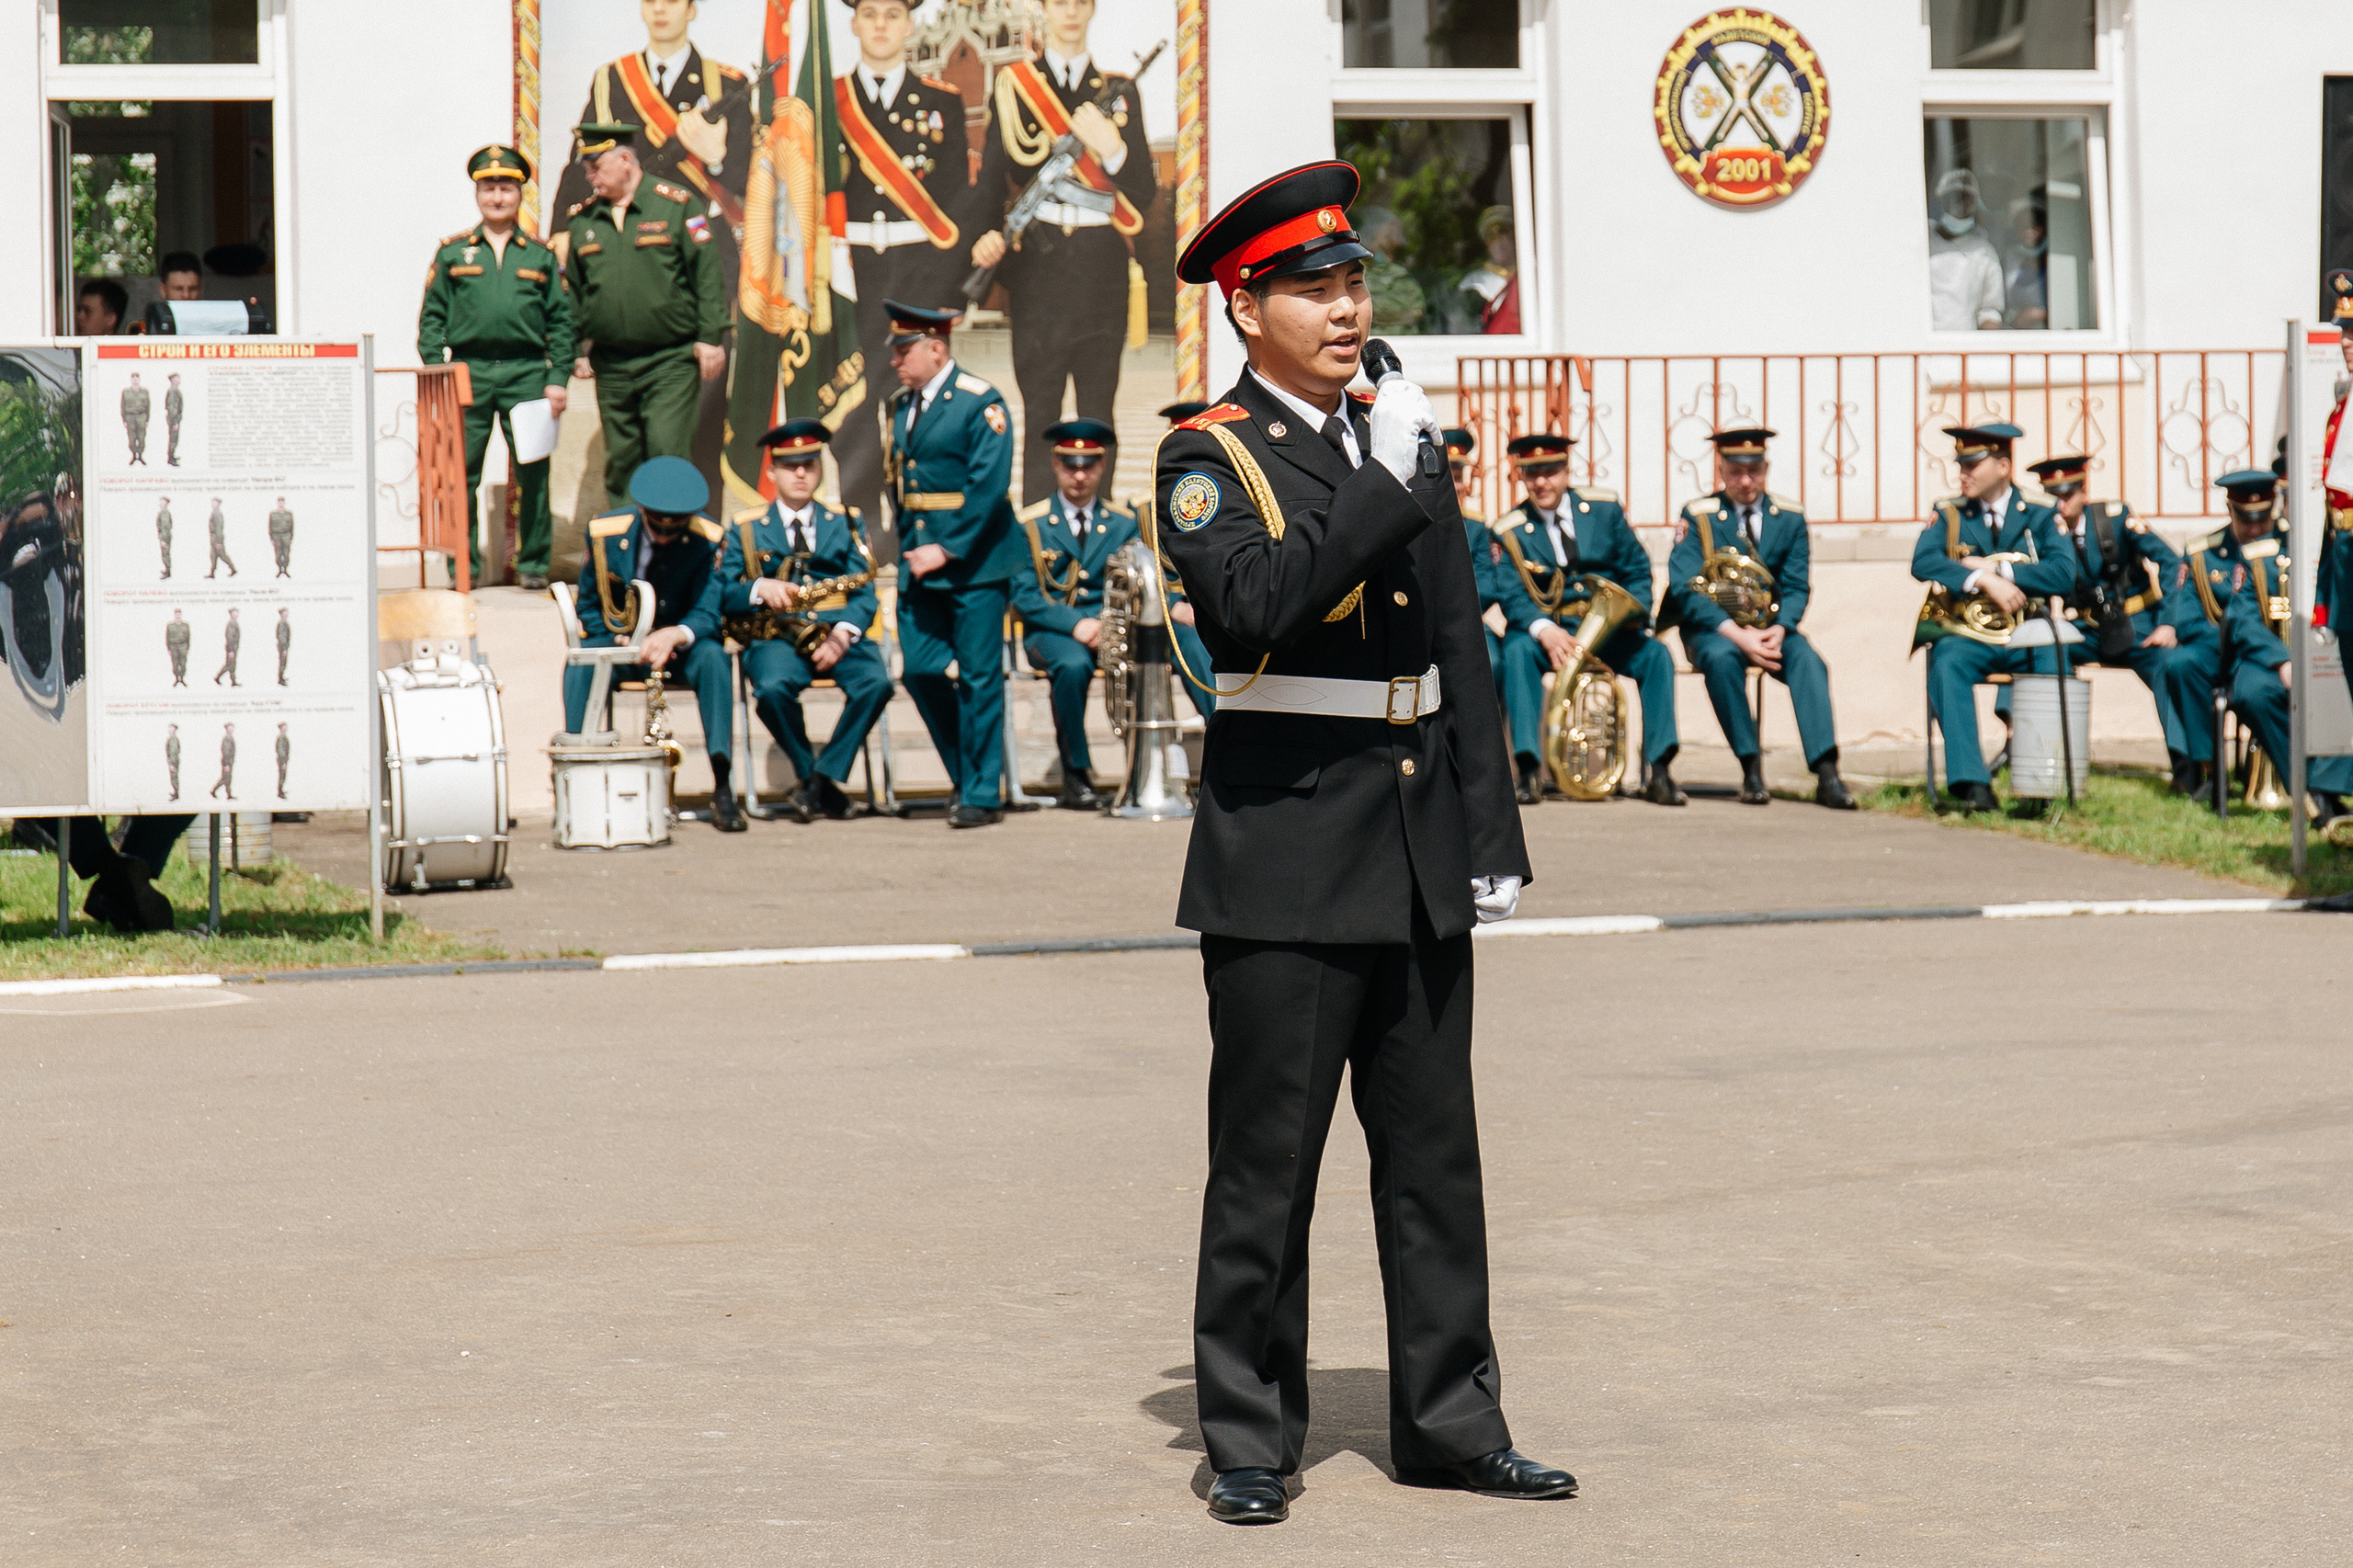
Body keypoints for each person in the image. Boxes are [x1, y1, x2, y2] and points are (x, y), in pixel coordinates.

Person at [1158, 160, 1571, 1526]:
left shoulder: (1392, 439)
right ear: (1246, 303)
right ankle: (1250, 1435)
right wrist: (1388, 479)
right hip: (1284, 854)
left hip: (1410, 845)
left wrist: (1487, 831)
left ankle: (1454, 1419)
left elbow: (1454, 646)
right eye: (1314, 287)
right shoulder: (1206, 457)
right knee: (1268, 1168)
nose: (1348, 309)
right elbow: (1257, 610)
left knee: (1436, 1160)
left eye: (1356, 284)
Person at [970, 0, 1158, 505]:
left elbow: (1142, 192)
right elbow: (991, 178)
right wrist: (986, 234)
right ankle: (1038, 534)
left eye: (1080, 2)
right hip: (1039, 268)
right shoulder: (1014, 86)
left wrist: (1113, 147)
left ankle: (1100, 530)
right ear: (1044, 10)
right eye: (1059, 2)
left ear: (1092, 9)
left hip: (1102, 266)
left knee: (1099, 407)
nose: (1070, 12)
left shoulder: (1119, 90)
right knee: (1041, 411)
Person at [830, 0, 977, 529]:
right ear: (853, 24)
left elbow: (959, 203)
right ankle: (864, 526)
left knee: (924, 398)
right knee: (853, 402)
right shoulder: (827, 100)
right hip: (848, 273)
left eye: (892, 14)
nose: (881, 25)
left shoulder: (943, 101)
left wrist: (951, 291)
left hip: (919, 269)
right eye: (870, 14)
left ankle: (923, 522)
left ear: (909, 24)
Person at [881, 301, 1025, 828]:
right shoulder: (899, 405)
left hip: (975, 563)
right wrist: (911, 545)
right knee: (919, 670)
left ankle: (982, 794)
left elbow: (988, 486)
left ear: (936, 348)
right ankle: (968, 773)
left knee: (981, 676)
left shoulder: (979, 401)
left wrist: (947, 547)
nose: (896, 360)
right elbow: (900, 481)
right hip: (919, 561)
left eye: (905, 350)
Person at [1664, 429, 1855, 809]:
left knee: (1809, 661)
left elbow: (1798, 585)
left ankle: (1827, 771)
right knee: (1721, 660)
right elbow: (1684, 587)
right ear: (1721, 471)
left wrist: (1782, 628)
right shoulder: (1698, 516)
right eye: (1735, 472)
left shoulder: (1789, 517)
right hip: (1715, 630)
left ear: (1765, 468)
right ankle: (1751, 768)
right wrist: (1737, 634)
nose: (1746, 481)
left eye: (1754, 471)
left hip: (1772, 630)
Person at [1492, 432, 1682, 805]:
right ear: (1521, 477)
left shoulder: (1605, 509)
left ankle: (1660, 771)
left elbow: (1638, 571)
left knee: (1657, 656)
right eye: (1531, 474)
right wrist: (1544, 630)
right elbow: (1510, 592)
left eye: (1550, 471)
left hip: (1608, 631)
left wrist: (1632, 615)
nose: (1541, 482)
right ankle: (1528, 770)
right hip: (1549, 634)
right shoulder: (1508, 529)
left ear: (1567, 471)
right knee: (1516, 652)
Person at [418, 144, 576, 589]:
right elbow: (431, 319)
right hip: (467, 372)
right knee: (459, 473)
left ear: (520, 194)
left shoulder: (541, 256)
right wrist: (438, 370)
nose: (497, 197)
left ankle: (532, 565)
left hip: (527, 374)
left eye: (506, 188)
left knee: (533, 472)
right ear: (477, 194)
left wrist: (558, 377)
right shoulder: (452, 254)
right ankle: (462, 566)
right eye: (489, 188)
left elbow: (562, 322)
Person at [720, 418, 892, 824]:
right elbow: (721, 592)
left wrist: (843, 635)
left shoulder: (846, 521)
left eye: (809, 465)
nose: (801, 474)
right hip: (777, 636)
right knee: (772, 688)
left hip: (837, 633)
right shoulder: (745, 530)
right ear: (771, 471)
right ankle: (816, 779)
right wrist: (758, 587)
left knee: (877, 684)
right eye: (790, 466)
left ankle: (820, 780)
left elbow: (864, 592)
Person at [2158, 470, 2353, 824]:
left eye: (2262, 515)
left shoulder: (2300, 544)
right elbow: (2231, 618)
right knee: (2232, 684)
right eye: (2245, 517)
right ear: (2230, 509)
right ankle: (2216, 770)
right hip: (2253, 653)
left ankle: (2324, 786)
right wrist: (2279, 660)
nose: (2254, 526)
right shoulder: (2211, 553)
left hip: (2306, 649)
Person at [566, 455, 745, 830]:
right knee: (581, 659)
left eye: (673, 529)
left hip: (680, 646)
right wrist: (619, 635)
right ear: (642, 511)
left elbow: (709, 612)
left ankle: (723, 784)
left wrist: (675, 634)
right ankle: (574, 772)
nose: (664, 536)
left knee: (714, 657)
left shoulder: (709, 539)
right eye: (656, 527)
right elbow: (587, 603)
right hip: (622, 644)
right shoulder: (605, 532)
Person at [563, 122, 729, 509]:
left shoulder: (676, 204)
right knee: (622, 462)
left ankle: (671, 560)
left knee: (667, 455)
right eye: (586, 168)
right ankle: (626, 557)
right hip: (613, 364)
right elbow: (574, 290)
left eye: (596, 166)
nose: (590, 177)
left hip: (668, 361)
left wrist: (710, 337)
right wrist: (575, 347)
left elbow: (706, 275)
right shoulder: (584, 220)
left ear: (625, 160)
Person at [1911, 423, 2075, 812]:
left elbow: (2065, 574)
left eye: (1972, 465)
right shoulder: (1948, 513)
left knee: (2056, 657)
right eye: (1961, 465)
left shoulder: (2040, 512)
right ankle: (1972, 784)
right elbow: (1922, 562)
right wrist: (1979, 577)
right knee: (1946, 663)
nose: (1962, 474)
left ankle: (2041, 780)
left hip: (2027, 632)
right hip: (1971, 636)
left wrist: (2004, 574)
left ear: (2003, 468)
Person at [550, 0, 752, 299]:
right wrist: (562, 228)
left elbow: (749, 180)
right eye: (650, 1)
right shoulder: (612, 80)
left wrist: (715, 160)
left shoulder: (726, 85)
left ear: (691, 9)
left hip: (699, 248)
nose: (660, 10)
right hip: (624, 244)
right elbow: (582, 164)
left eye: (671, 1)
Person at [2024, 454, 2189, 779]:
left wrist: (2169, 623)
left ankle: (2188, 767)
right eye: (2051, 498)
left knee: (2168, 668)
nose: (2059, 505)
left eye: (2066, 496)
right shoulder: (2042, 534)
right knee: (2039, 652)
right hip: (2086, 628)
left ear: (2083, 494)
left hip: (2139, 623)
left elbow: (2172, 563)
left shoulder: (2115, 518)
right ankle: (2047, 757)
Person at [1012, 417, 1131, 810]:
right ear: (1055, 464)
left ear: (1101, 466)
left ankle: (1144, 769)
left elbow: (1131, 585)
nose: (1079, 475)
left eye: (1089, 465)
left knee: (1145, 662)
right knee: (1074, 665)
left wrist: (1104, 623)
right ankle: (1076, 774)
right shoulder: (1029, 524)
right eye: (1069, 464)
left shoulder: (1124, 524)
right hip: (1050, 631)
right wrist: (1076, 623)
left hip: (1111, 629)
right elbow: (1025, 595)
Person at [1444, 426, 1509, 682]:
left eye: (1458, 476)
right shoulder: (1412, 525)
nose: (1454, 485)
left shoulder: (1476, 527)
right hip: (1421, 624)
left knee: (1493, 663)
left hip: (1467, 621)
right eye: (1445, 476)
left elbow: (1488, 584)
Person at [1928, 168, 2005, 331]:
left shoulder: (1983, 252)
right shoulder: (1923, 243)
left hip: (1963, 349)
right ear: (1941, 201)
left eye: (1968, 199)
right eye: (1955, 198)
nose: (1962, 205)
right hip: (1923, 349)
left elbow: (1990, 311)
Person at [121, 372, 150, 465]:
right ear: (131, 379)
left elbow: (148, 407)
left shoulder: (144, 392)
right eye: (133, 378)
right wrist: (124, 420)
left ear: (139, 379)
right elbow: (122, 406)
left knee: (141, 438)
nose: (135, 380)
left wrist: (147, 420)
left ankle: (140, 455)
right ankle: (134, 455)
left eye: (136, 378)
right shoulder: (126, 392)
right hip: (130, 417)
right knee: (132, 438)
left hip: (141, 416)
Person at [207, 497, 236, 577]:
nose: (212, 504)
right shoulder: (214, 512)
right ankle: (212, 573)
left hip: (217, 538)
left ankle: (233, 569)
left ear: (218, 504)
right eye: (212, 502)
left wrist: (219, 542)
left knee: (222, 555)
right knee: (213, 555)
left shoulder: (217, 513)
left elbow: (218, 528)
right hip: (214, 538)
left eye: (215, 502)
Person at [267, 496, 295, 578]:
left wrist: (291, 538)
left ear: (284, 503)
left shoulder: (289, 514)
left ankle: (285, 569)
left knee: (286, 554)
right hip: (276, 536)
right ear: (277, 503)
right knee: (278, 554)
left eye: (282, 502)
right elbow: (270, 526)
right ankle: (280, 569)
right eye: (279, 502)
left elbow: (292, 526)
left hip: (286, 535)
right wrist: (271, 538)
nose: (281, 504)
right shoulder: (273, 514)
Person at [215, 607, 242, 687]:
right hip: (232, 648)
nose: (236, 614)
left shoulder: (234, 622)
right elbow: (229, 637)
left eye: (236, 613)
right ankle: (217, 677)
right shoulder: (232, 623)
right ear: (231, 614)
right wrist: (230, 650)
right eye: (234, 613)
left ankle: (233, 681)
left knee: (232, 665)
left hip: (234, 648)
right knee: (229, 665)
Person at [165, 608, 190, 686]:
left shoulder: (185, 625)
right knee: (175, 663)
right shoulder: (170, 626)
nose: (178, 615)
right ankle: (176, 678)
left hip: (183, 646)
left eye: (179, 614)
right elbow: (167, 637)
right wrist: (169, 648)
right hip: (173, 646)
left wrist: (187, 648)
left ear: (181, 615)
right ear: (174, 615)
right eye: (176, 614)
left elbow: (188, 637)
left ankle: (182, 678)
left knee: (183, 663)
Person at [211, 723, 237, 801]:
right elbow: (226, 752)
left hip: (229, 762)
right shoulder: (228, 738)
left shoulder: (229, 737)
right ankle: (215, 791)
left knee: (226, 778)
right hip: (227, 762)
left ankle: (228, 794)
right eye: (230, 727)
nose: (232, 729)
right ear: (227, 729)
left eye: (233, 727)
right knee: (225, 778)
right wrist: (226, 764)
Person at [165, 373, 185, 466]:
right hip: (173, 419)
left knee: (174, 438)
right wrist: (175, 422)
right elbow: (172, 408)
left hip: (174, 418)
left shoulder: (175, 390)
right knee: (173, 439)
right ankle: (170, 459)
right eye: (177, 378)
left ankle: (172, 455)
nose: (179, 379)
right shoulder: (173, 391)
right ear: (173, 380)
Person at [156, 497, 173, 579]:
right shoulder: (162, 512)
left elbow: (166, 527)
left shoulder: (165, 513)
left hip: (165, 537)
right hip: (163, 536)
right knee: (164, 554)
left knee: (166, 555)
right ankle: (167, 570)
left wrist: (164, 540)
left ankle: (168, 572)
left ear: (166, 503)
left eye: (162, 501)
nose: (160, 503)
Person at [275, 607, 291, 686]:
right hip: (282, 646)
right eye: (285, 612)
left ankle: (282, 676)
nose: (286, 614)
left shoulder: (284, 622)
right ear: (281, 614)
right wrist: (284, 648)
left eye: (287, 612)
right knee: (282, 662)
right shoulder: (282, 623)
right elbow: (281, 637)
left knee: (284, 662)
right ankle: (280, 679)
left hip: (284, 646)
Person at [275, 723, 291, 800]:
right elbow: (281, 751)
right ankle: (280, 793)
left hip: (284, 759)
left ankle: (281, 790)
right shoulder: (281, 737)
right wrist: (283, 762)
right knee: (282, 776)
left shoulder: (283, 736)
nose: (286, 728)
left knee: (283, 775)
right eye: (284, 727)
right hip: (282, 760)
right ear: (281, 728)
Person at [165, 724, 181, 801]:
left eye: (171, 728)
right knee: (173, 777)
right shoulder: (172, 738)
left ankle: (176, 794)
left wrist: (172, 764)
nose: (169, 729)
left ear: (174, 729)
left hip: (173, 761)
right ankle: (175, 792)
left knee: (174, 778)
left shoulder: (173, 739)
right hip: (172, 761)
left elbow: (174, 752)